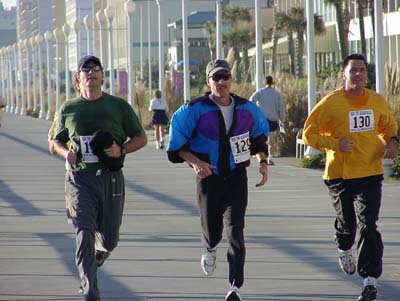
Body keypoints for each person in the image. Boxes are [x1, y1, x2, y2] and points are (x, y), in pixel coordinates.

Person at [166, 59, 270, 301]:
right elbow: (177, 147)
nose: (221, 82)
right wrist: (196, 162)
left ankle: (235, 286)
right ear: (208, 81)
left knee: (236, 230)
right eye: (216, 78)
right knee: (213, 230)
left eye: (226, 77)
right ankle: (210, 247)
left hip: (236, 178)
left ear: (232, 79)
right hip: (208, 178)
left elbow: (258, 140)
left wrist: (263, 163)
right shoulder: (193, 110)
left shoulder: (248, 109)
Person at [302, 53, 399, 301]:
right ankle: (344, 247)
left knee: (369, 225)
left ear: (366, 75)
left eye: (362, 70)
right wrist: (334, 143)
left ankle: (369, 280)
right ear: (343, 74)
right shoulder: (330, 103)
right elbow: (308, 134)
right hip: (339, 175)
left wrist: (393, 141)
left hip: (370, 171)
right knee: (347, 225)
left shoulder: (377, 101)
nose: (358, 74)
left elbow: (388, 126)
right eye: (353, 70)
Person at [52, 55, 147, 301]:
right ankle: (90, 289)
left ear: (103, 77)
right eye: (86, 69)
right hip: (80, 178)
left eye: (96, 69)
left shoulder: (118, 106)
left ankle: (101, 251)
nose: (91, 73)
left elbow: (141, 138)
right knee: (83, 230)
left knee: (110, 239)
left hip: (110, 177)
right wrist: (67, 153)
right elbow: (54, 141)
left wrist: (121, 150)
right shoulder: (68, 109)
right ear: (78, 78)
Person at [249, 75, 285, 165]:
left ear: (265, 82)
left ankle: (262, 155)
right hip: (272, 119)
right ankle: (270, 157)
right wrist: (282, 119)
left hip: (262, 119)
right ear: (272, 82)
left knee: (260, 138)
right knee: (271, 138)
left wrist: (256, 111)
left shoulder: (260, 92)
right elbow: (281, 107)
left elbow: (251, 100)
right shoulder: (277, 94)